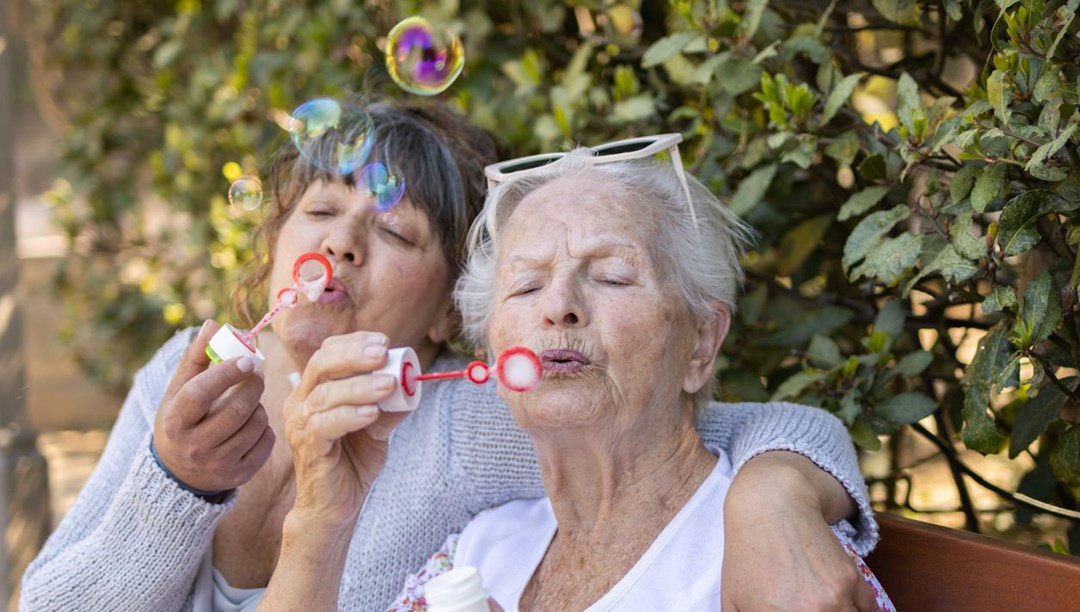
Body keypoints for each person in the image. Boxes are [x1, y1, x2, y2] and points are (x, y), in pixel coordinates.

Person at [21, 102, 877, 612]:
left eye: (395, 231)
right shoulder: (190, 373)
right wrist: (177, 481)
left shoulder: (462, 419)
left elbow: (691, 425)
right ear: (276, 241)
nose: (344, 244)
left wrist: (771, 497)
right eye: (320, 211)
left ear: (448, 314)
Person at [263, 138, 893, 611]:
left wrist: (773, 489)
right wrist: (318, 517)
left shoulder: (771, 560)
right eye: (526, 284)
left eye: (613, 276)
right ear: (490, 347)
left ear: (701, 343)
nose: (557, 304)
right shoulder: (481, 549)